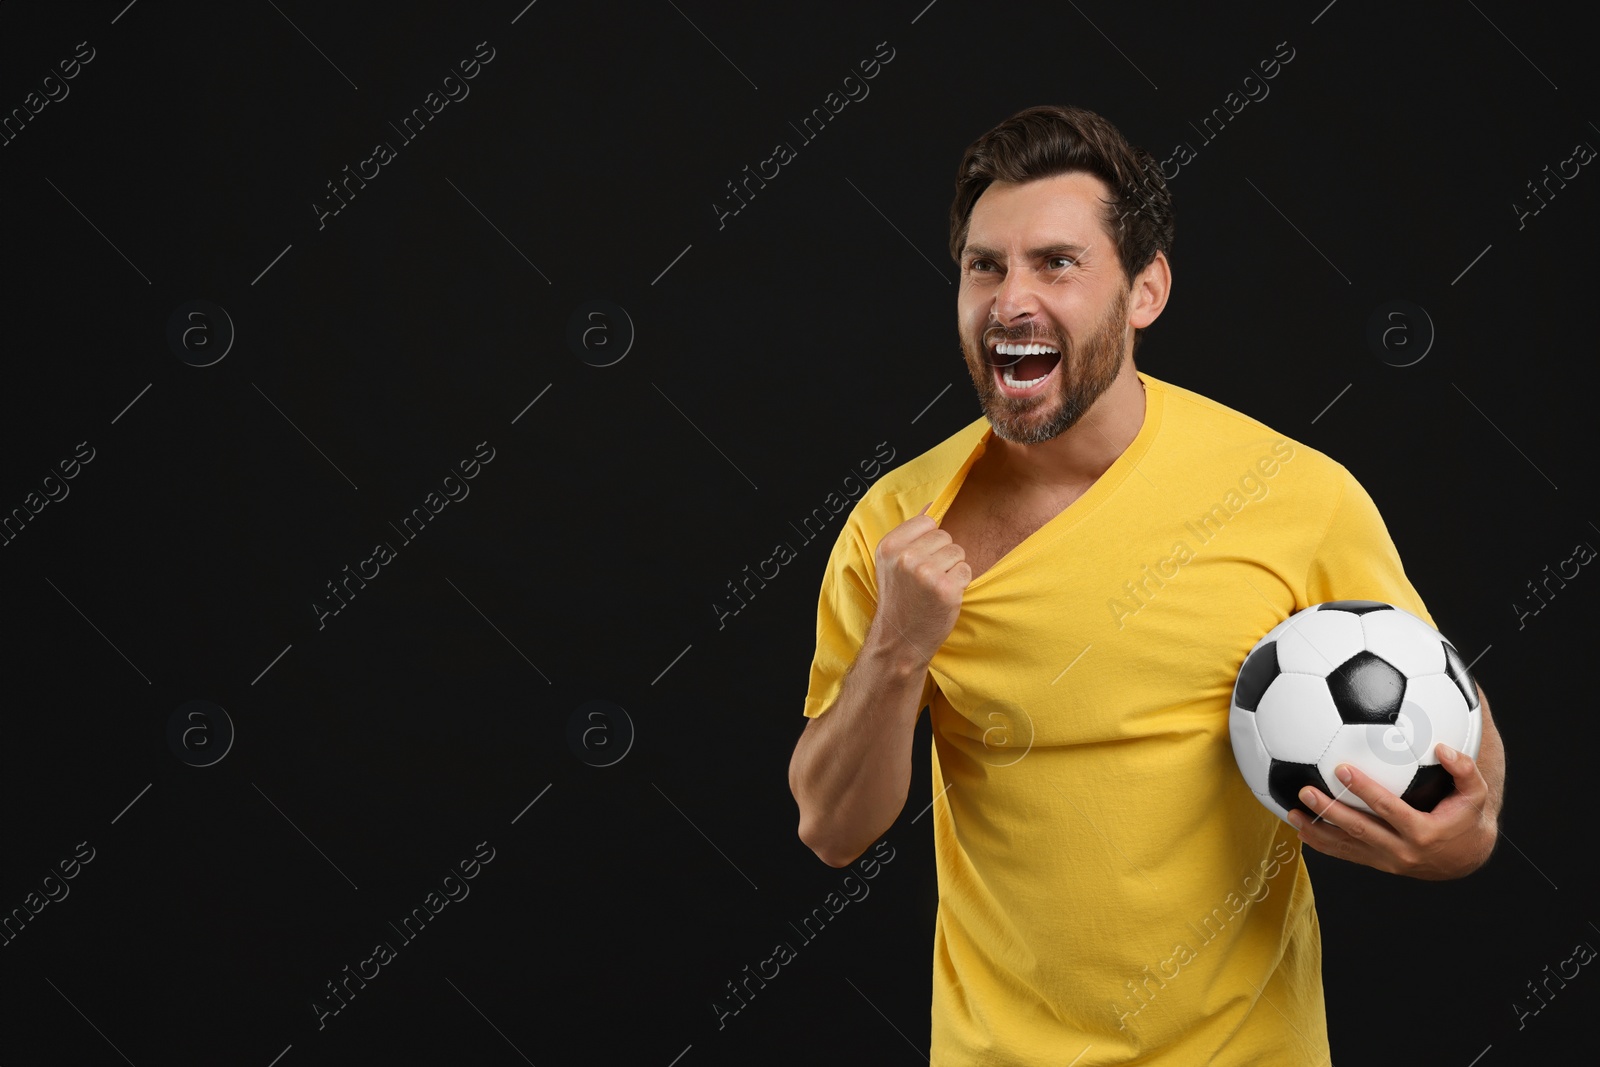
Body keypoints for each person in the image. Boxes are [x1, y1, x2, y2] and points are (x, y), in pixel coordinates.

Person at [786, 104, 1505, 1064]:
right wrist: (899, 644)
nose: (1010, 300)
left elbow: (1455, 737)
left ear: (1146, 290)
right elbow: (832, 827)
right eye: (984, 265)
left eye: (1057, 262)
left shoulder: (1292, 494)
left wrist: (1460, 836)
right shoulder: (900, 524)